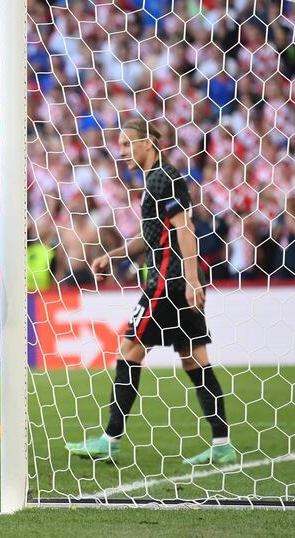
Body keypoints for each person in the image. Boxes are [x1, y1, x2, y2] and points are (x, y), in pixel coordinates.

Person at [65, 118, 235, 465]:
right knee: (194, 359)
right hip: (175, 281)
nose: (122, 151)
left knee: (129, 350)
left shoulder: (162, 178)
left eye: (127, 144)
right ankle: (222, 444)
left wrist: (190, 279)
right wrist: (111, 256)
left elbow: (185, 228)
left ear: (147, 143)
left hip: (166, 283)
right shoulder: (158, 178)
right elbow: (152, 237)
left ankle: (110, 439)